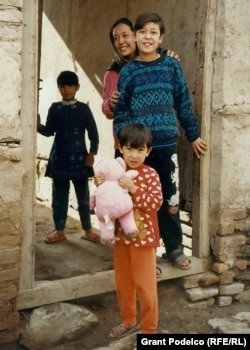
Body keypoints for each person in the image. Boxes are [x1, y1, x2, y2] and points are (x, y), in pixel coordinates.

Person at [113, 12, 208, 270]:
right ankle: (146, 252)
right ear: (135, 36)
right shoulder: (129, 72)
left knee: (169, 200)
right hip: (139, 151)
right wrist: (126, 143)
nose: (147, 37)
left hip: (166, 146)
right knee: (140, 201)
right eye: (142, 32)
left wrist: (193, 134)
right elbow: (120, 112)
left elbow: (183, 101)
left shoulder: (170, 66)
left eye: (153, 32)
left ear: (160, 37)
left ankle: (174, 248)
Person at [95, 123, 163, 342]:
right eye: (130, 149)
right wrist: (100, 185)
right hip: (121, 239)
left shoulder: (150, 174)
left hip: (144, 241)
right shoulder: (116, 171)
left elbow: (155, 203)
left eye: (140, 149)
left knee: (145, 287)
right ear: (121, 148)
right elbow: (105, 201)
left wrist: (134, 189)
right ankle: (128, 320)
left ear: (148, 151)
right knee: (124, 284)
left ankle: (149, 331)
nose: (134, 155)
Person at [102, 17, 179, 158]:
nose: (121, 42)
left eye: (125, 36)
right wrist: (110, 104)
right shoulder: (112, 73)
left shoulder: (161, 61)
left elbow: (176, 96)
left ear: (135, 36)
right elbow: (107, 111)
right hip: (127, 146)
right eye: (116, 38)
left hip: (157, 143)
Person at [37, 70, 100, 244]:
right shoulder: (55, 109)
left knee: (83, 198)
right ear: (59, 88)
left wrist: (92, 154)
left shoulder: (83, 109)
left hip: (80, 159)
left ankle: (88, 230)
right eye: (62, 86)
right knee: (59, 198)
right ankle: (59, 231)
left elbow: (94, 134)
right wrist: (38, 125)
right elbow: (49, 131)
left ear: (77, 87)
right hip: (59, 160)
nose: (66, 90)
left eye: (70, 86)